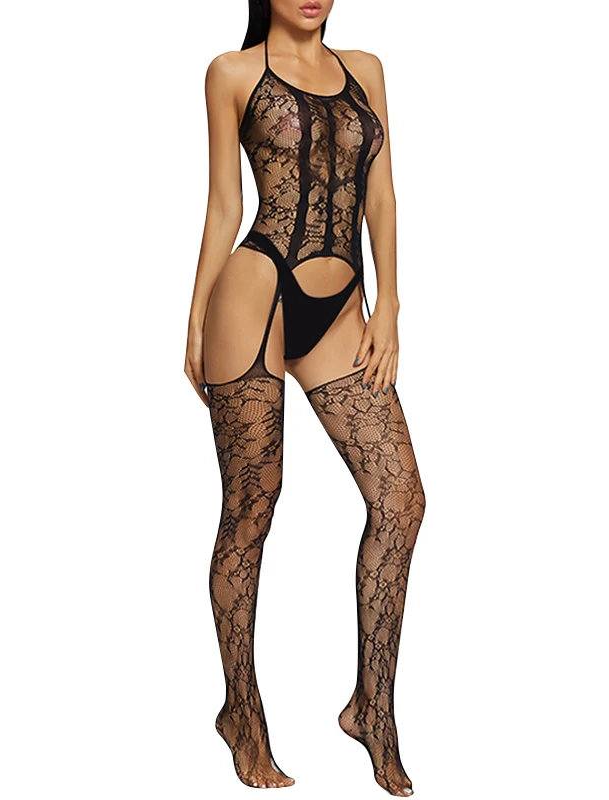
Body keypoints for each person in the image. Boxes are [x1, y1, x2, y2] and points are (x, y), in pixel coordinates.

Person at [184, 1, 426, 795]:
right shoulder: (232, 73)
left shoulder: (367, 71)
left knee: (400, 500)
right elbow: (225, 205)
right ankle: (242, 711)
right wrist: (195, 320)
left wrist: (390, 306)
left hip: (342, 308)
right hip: (253, 294)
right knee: (252, 508)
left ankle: (373, 707)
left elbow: (381, 196)